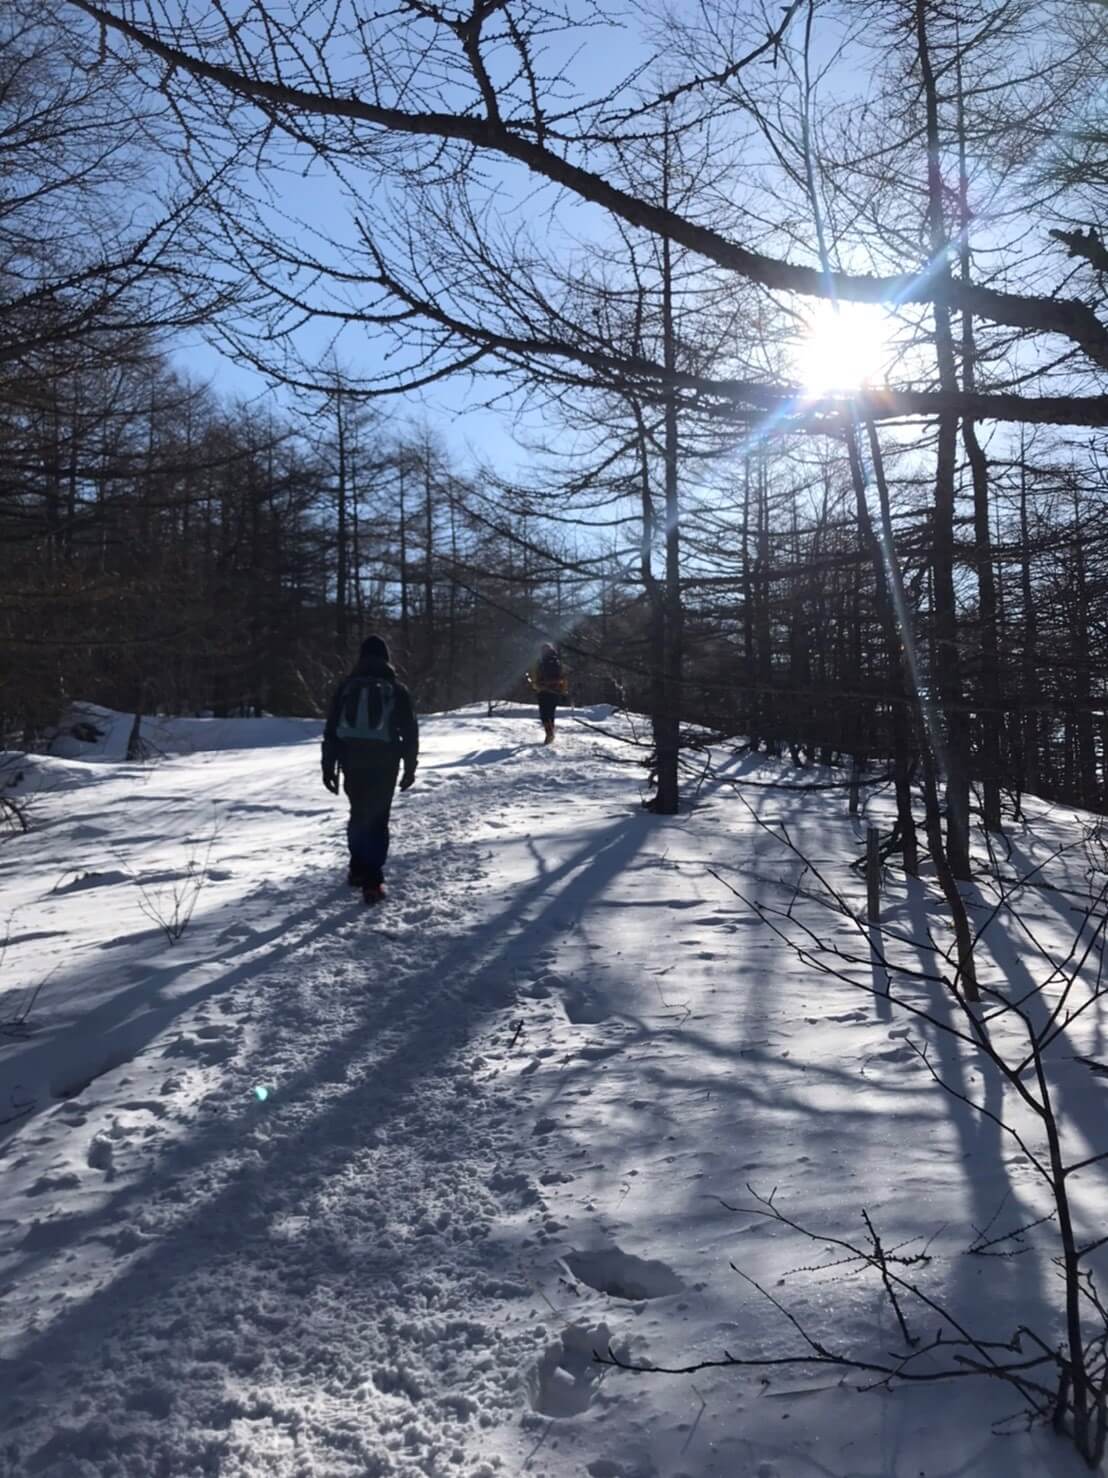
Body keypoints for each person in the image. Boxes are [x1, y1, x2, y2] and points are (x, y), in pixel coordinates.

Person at [322, 635, 419, 903]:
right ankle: (373, 881)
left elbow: (331, 731)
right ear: (386, 657)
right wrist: (410, 767)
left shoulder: (346, 687)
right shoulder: (396, 689)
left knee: (357, 814)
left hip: (351, 761)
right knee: (378, 819)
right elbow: (410, 732)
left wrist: (328, 767)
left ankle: (356, 869)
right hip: (384, 763)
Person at [526, 642, 567, 745]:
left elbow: (536, 676)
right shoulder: (557, 662)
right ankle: (551, 732)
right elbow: (563, 677)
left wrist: (536, 684)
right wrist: (562, 691)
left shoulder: (542, 662)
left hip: (543, 690)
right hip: (555, 691)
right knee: (551, 713)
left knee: (544, 714)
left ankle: (549, 734)